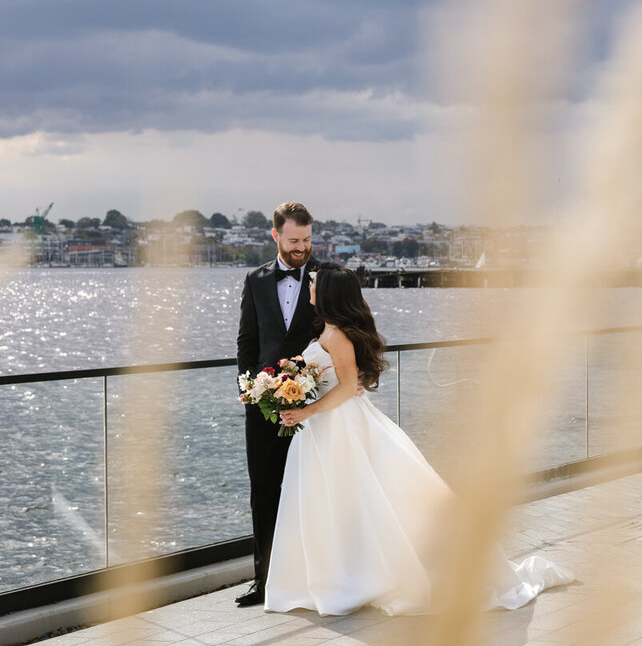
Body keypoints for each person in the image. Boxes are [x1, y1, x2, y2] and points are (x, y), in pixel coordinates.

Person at [266, 264, 573, 615]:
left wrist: (306, 411)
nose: (310, 287)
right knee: (345, 501)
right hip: (328, 428)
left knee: (362, 498)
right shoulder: (330, 330)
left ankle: (356, 578)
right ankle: (347, 574)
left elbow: (350, 388)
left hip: (339, 427)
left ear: (330, 293)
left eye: (316, 283)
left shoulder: (336, 337)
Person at [234, 202, 317, 608]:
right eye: (294, 241)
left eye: (306, 240)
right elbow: (247, 342)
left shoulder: (330, 278)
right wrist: (249, 391)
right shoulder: (255, 280)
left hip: (316, 409)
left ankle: (314, 577)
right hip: (262, 409)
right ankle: (264, 582)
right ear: (275, 236)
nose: (301, 248)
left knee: (314, 490)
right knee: (264, 492)